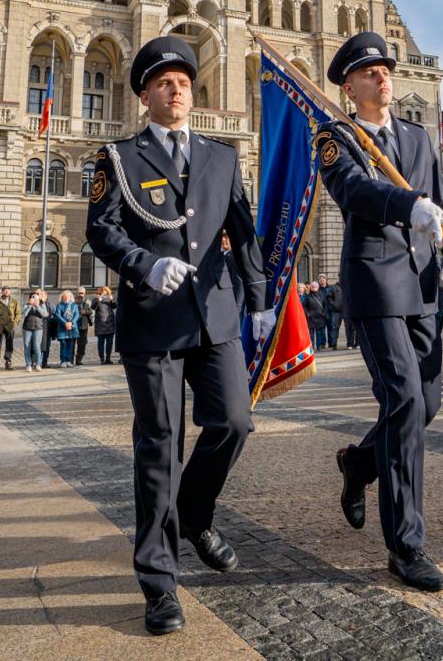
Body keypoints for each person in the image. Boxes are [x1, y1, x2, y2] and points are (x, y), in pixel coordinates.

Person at [86, 35, 272, 634]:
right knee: (159, 447)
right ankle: (160, 584)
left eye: (184, 82)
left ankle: (194, 514)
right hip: (152, 318)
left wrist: (261, 299)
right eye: (164, 82)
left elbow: (242, 232)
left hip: (215, 313)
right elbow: (102, 230)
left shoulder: (221, 157)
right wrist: (145, 265)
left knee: (234, 422)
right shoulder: (119, 157)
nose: (176, 89)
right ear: (145, 95)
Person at [315, 31, 443, 592]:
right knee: (403, 399)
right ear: (350, 85)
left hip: (423, 281)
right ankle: (406, 544)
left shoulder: (419, 138)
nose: (383, 77)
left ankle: (359, 464)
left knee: (429, 401)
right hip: (374, 282)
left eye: (386, 70)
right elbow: (351, 191)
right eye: (370, 72)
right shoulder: (337, 137)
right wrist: (408, 204)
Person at [0, 286, 20, 371]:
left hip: (9, 326)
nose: (6, 292)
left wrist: (14, 323)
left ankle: (8, 362)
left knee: (9, 345)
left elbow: (18, 314)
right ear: (2, 292)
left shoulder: (14, 302)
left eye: (8, 290)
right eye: (5, 291)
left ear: (10, 292)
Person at [21, 292, 48, 373]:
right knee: (27, 346)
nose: (35, 300)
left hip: (38, 328)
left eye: (36, 298)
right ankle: (28, 364)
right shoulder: (27, 305)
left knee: (37, 346)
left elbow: (45, 314)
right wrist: (30, 305)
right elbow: (24, 314)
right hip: (27, 328)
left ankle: (38, 364)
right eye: (33, 298)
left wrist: (37, 306)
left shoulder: (41, 305)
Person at [55, 291, 81, 367]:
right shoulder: (59, 305)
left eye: (68, 297)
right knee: (63, 344)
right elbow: (57, 315)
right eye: (64, 297)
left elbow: (77, 315)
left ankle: (68, 360)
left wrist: (71, 323)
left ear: (70, 297)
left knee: (70, 345)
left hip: (72, 328)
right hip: (62, 328)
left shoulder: (74, 305)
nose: (66, 298)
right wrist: (65, 323)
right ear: (62, 297)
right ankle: (63, 361)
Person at [92, 285, 117, 363]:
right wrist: (99, 300)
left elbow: (115, 306)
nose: (104, 292)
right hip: (100, 324)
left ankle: (108, 359)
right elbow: (93, 307)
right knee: (101, 343)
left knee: (109, 343)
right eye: (103, 291)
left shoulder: (110, 299)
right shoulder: (96, 299)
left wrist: (112, 300)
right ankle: (102, 359)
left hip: (110, 324)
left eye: (106, 291)